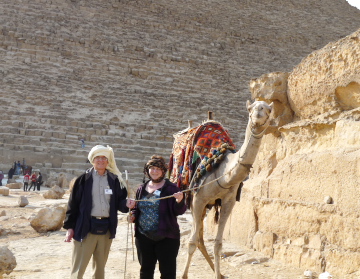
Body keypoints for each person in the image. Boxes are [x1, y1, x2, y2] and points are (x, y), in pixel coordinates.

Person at [63, 145, 135, 279]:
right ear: (92, 160)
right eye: (98, 158)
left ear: (108, 161)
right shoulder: (83, 180)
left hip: (106, 228)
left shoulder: (115, 180)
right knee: (78, 269)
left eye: (104, 158)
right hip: (85, 227)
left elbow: (119, 202)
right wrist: (69, 227)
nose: (101, 161)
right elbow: (73, 205)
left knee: (100, 269)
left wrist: (126, 204)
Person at [131, 155, 186, 279]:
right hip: (143, 237)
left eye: (158, 169)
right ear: (147, 170)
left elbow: (180, 211)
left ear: (163, 171)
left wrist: (180, 201)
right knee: (146, 271)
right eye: (152, 168)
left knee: (167, 273)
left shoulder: (171, 189)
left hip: (166, 237)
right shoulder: (141, 188)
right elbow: (136, 208)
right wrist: (133, 215)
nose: (154, 171)